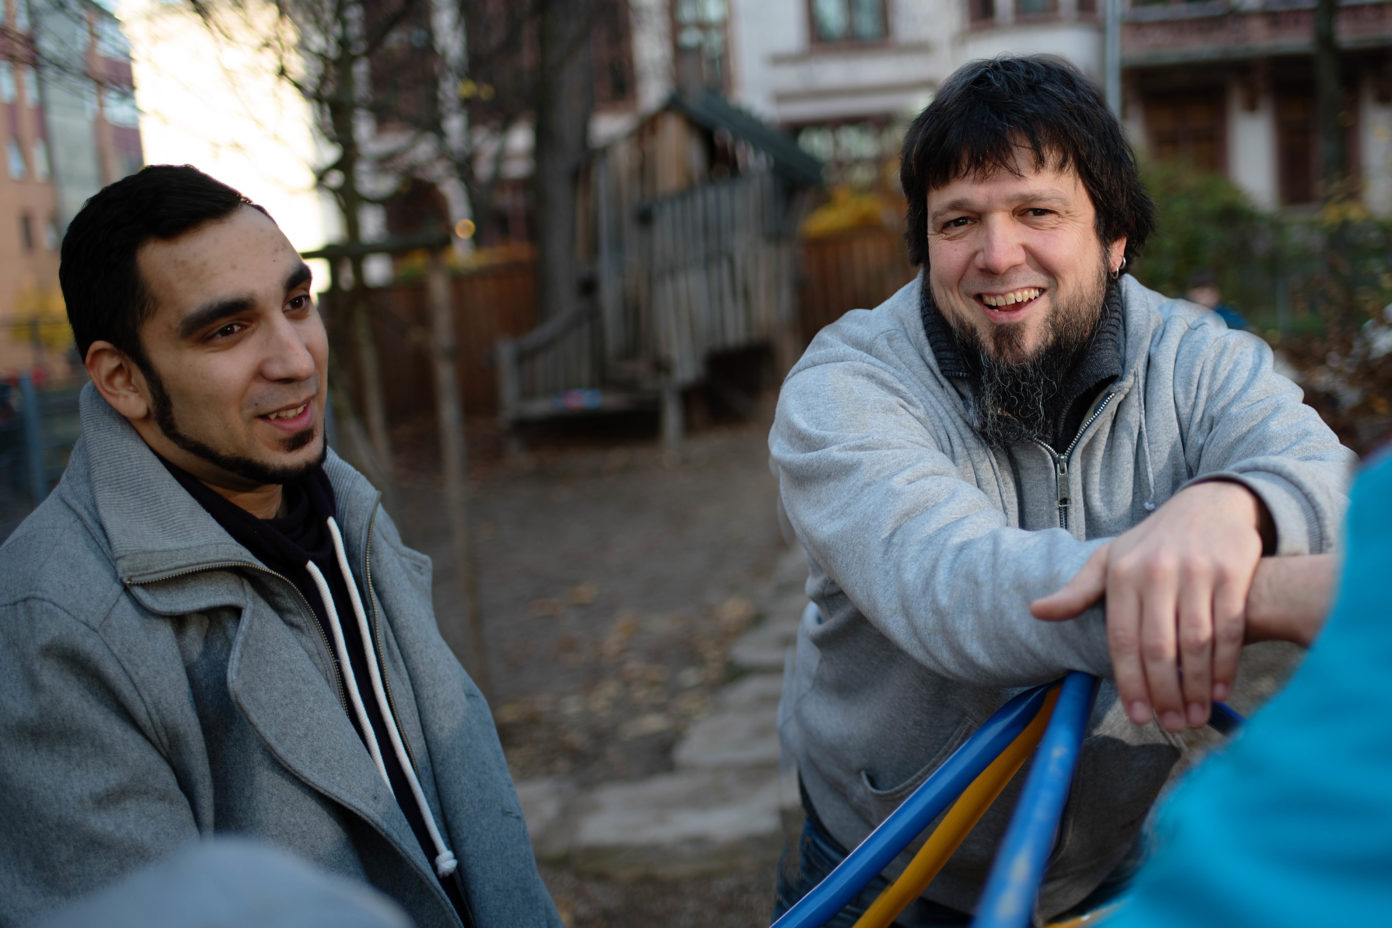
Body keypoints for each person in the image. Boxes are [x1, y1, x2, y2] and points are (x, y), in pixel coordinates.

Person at [768, 56, 1352, 924]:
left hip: (1111, 857)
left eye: (1037, 211)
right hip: (887, 865)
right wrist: (1261, 589)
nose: (997, 256)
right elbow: (956, 586)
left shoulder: (1195, 359)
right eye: (958, 221)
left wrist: (1232, 504)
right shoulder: (845, 387)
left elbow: (1327, 482)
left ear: (1115, 236)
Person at [0, 166, 562, 928]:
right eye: (227, 330)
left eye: (297, 304)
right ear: (123, 379)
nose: (295, 358)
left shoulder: (338, 504)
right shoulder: (49, 626)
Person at [1100, 446, 1391, 927]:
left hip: (1122, 856)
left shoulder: (1202, 372)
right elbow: (946, 562)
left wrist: (1241, 499)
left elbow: (1320, 464)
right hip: (949, 865)